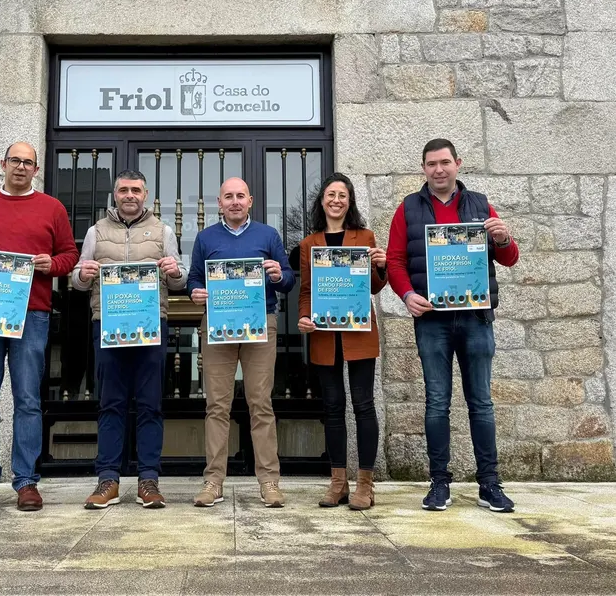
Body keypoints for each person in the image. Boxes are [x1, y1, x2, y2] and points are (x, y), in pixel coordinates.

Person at [386, 138, 520, 513]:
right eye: (431, 164)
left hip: (476, 319)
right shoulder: (408, 209)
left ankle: (489, 484)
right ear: (423, 169)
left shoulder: (480, 204)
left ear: (458, 164)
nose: (439, 170)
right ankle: (439, 483)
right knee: (437, 403)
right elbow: (395, 260)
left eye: (445, 162)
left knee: (481, 402)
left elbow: (509, 258)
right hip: (432, 322)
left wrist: (504, 238)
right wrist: (407, 295)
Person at [0, 142, 78, 512]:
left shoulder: (51, 208)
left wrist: (49, 265)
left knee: (28, 400)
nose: (21, 167)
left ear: (36, 169)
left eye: (28, 162)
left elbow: (68, 255)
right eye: (15, 161)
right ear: (2, 164)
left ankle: (26, 482)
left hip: (32, 313)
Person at [72, 170, 187, 509]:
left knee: (150, 404)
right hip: (107, 327)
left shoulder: (163, 231)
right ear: (115, 194)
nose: (129, 195)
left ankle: (148, 481)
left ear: (146, 194)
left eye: (136, 189)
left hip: (151, 327)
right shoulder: (96, 231)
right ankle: (107, 479)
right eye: (123, 190)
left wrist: (174, 271)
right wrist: (83, 274)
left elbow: (179, 280)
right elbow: (77, 279)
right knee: (111, 403)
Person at [187, 177, 295, 508]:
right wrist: (195, 292)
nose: (235, 202)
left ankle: (269, 482)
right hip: (218, 326)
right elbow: (193, 278)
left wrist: (278, 274)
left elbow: (288, 280)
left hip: (261, 324)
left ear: (250, 201)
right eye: (228, 197)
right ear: (219, 203)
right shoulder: (206, 238)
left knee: (260, 403)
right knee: (217, 405)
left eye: (240, 196)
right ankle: (213, 481)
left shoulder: (268, 235)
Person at [297, 173, 387, 510]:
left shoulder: (364, 237)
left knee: (363, 406)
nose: (336, 200)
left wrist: (380, 267)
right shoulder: (309, 244)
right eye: (330, 194)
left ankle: (365, 484)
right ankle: (338, 484)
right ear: (322, 201)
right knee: (333, 408)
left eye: (343, 195)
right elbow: (306, 290)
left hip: (358, 333)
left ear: (349, 202)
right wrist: (304, 317)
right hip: (323, 336)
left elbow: (375, 287)